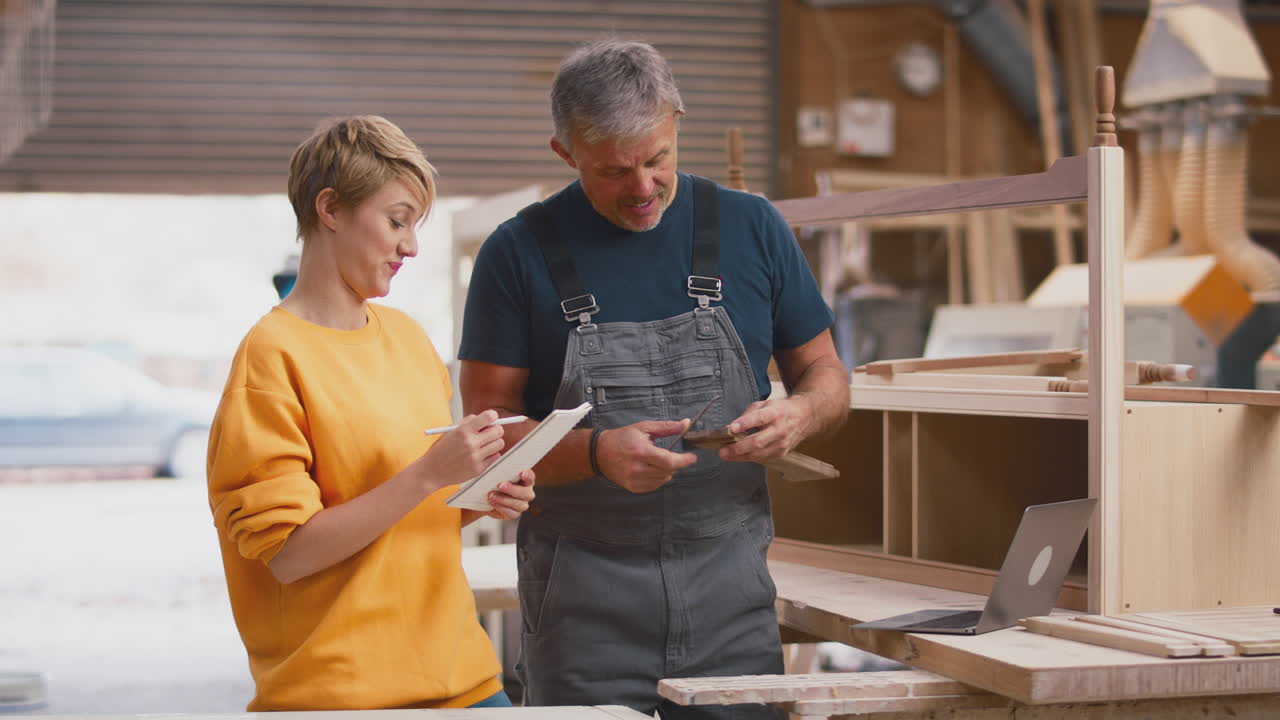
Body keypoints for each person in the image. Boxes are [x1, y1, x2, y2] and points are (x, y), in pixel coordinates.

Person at [458, 40, 849, 719]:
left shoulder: (752, 228)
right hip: (583, 610)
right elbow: (489, 437)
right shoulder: (515, 253)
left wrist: (802, 413)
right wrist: (596, 456)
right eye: (614, 170)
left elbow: (826, 374)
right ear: (565, 153)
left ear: (676, 124)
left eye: (657, 159)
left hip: (730, 596)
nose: (642, 189)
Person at [206, 115, 535, 711]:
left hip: (465, 679)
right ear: (329, 209)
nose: (411, 245)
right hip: (342, 695)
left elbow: (403, 509)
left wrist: (476, 495)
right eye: (396, 220)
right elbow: (291, 554)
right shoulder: (270, 359)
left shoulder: (407, 339)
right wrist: (431, 474)